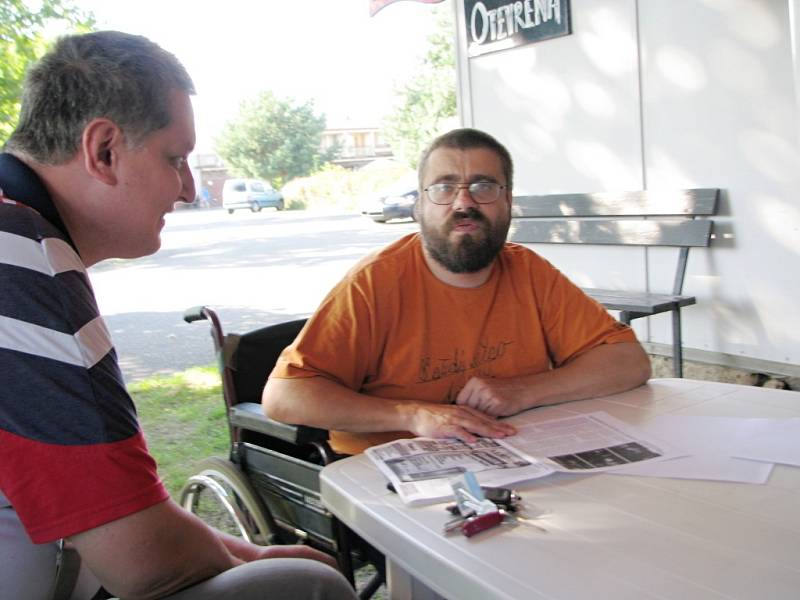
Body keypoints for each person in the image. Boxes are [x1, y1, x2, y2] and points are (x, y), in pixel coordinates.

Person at [0, 31, 357, 600]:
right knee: (308, 586)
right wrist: (259, 560)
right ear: (104, 150)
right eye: (176, 158)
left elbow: (123, 518)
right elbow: (141, 558)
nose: (190, 189)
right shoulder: (20, 258)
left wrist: (246, 554)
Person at [263, 128, 652, 456]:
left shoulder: (529, 272)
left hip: (510, 455)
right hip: (388, 475)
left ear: (507, 202)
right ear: (420, 206)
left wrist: (522, 392)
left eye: (482, 186)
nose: (464, 202)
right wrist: (412, 415)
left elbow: (628, 362)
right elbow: (284, 397)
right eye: (444, 187)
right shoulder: (372, 284)